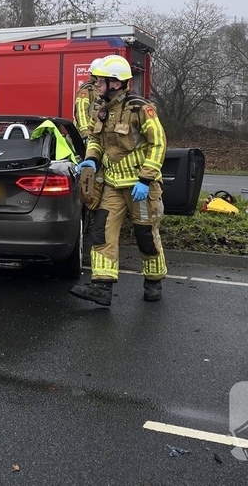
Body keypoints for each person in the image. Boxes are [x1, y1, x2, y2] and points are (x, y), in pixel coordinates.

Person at [71, 55, 167, 307]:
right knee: (102, 231)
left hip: (140, 186)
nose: (95, 85)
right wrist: (91, 158)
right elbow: (95, 139)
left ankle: (153, 282)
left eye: (100, 81)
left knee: (145, 235)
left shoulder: (140, 108)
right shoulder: (102, 110)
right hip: (113, 184)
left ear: (114, 83)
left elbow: (158, 143)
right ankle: (101, 287)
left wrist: (146, 179)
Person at [73, 57, 106, 140]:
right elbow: (81, 112)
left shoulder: (99, 88)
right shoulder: (87, 89)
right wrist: (86, 133)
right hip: (87, 135)